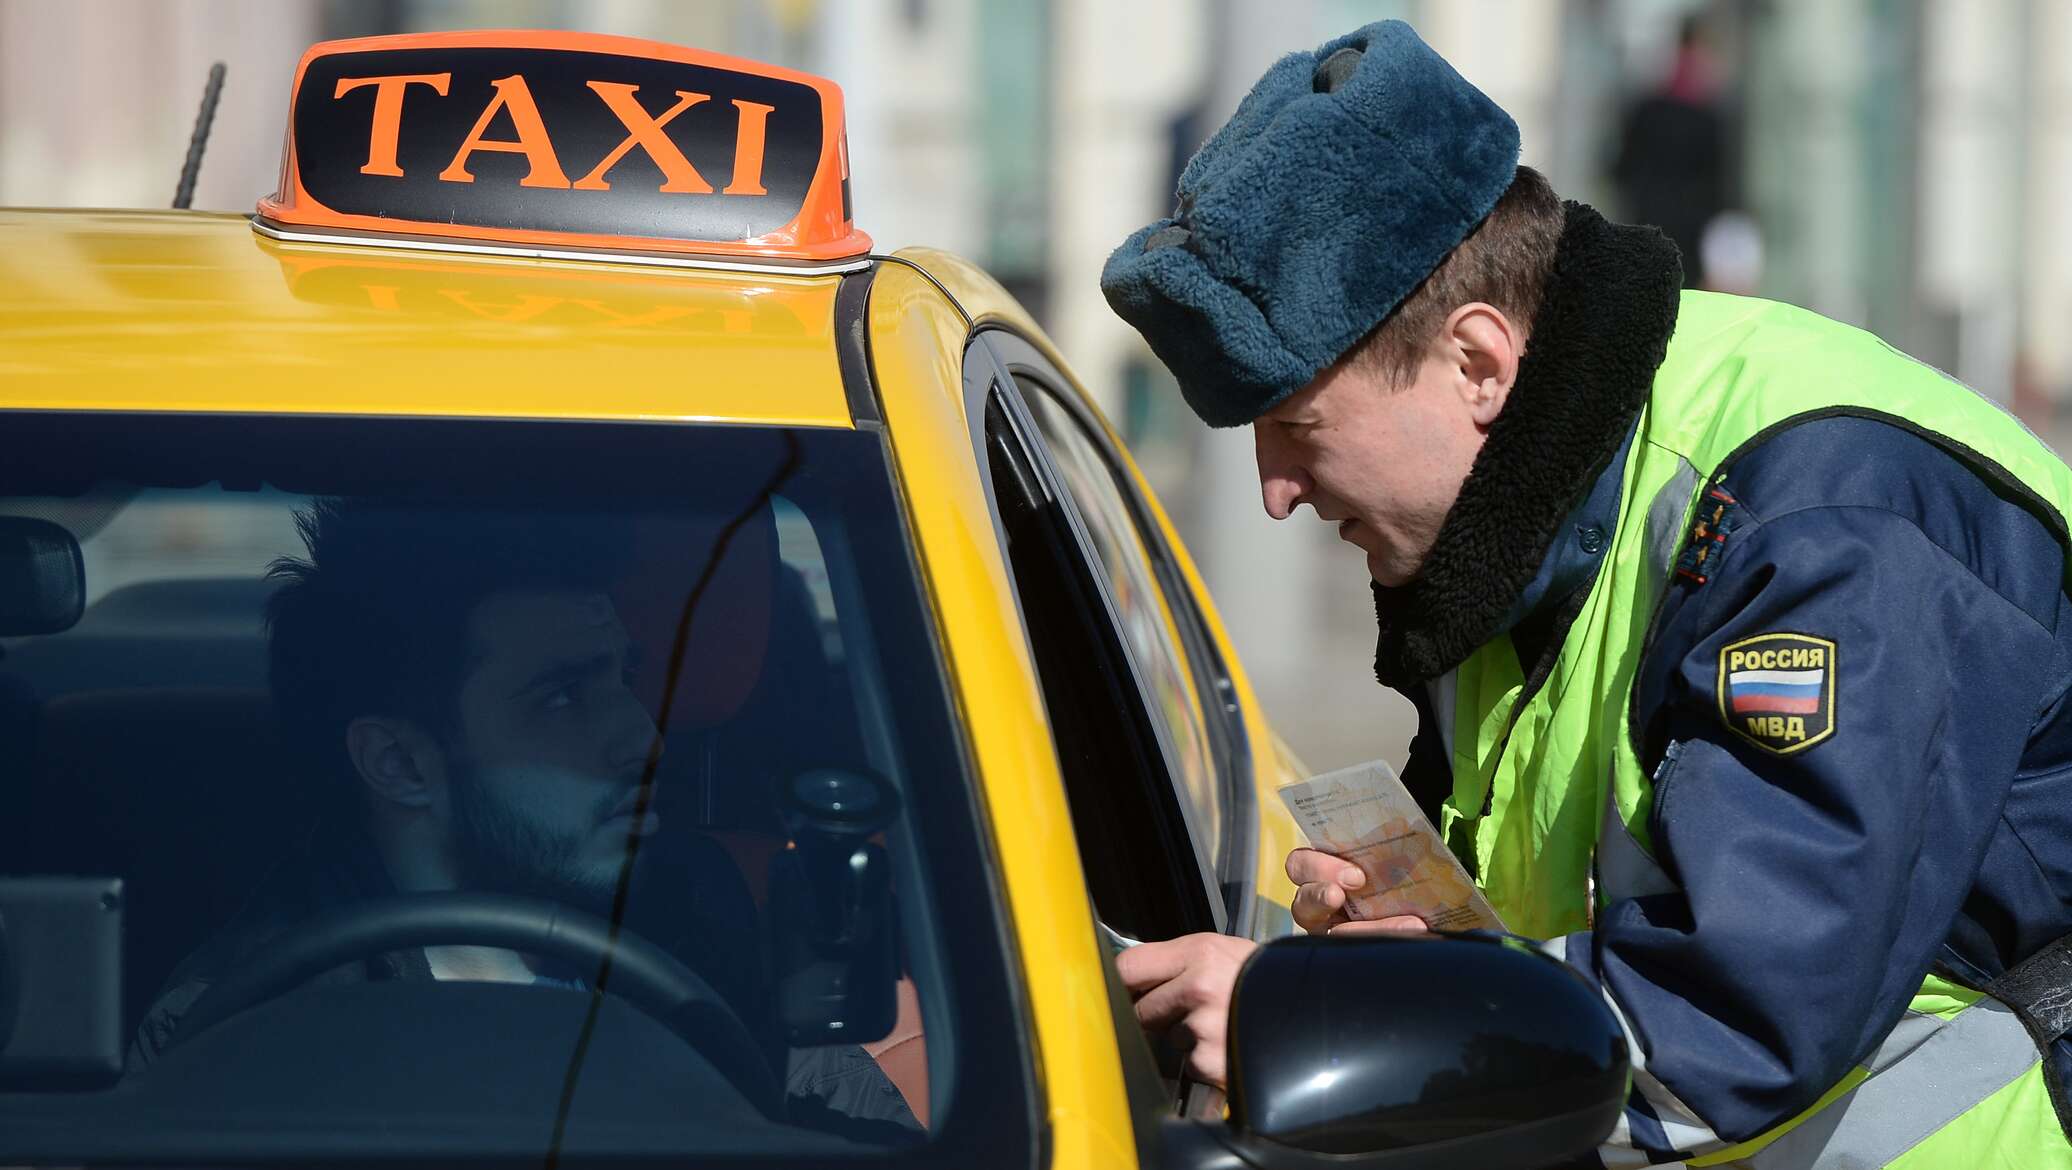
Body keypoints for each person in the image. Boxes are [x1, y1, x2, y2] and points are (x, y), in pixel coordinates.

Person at [1099, 20, 2072, 1168]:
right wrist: (1418, 948)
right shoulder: (1507, 515)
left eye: (1295, 427)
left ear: (1475, 363)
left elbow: (1735, 1023)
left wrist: (1320, 1018)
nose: (1272, 491)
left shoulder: (1818, 522)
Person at [129, 498, 920, 1135]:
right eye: (565, 696)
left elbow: (854, 1128)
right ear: (400, 764)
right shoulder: (243, 1020)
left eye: (623, 678)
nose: (643, 738)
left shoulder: (692, 901)